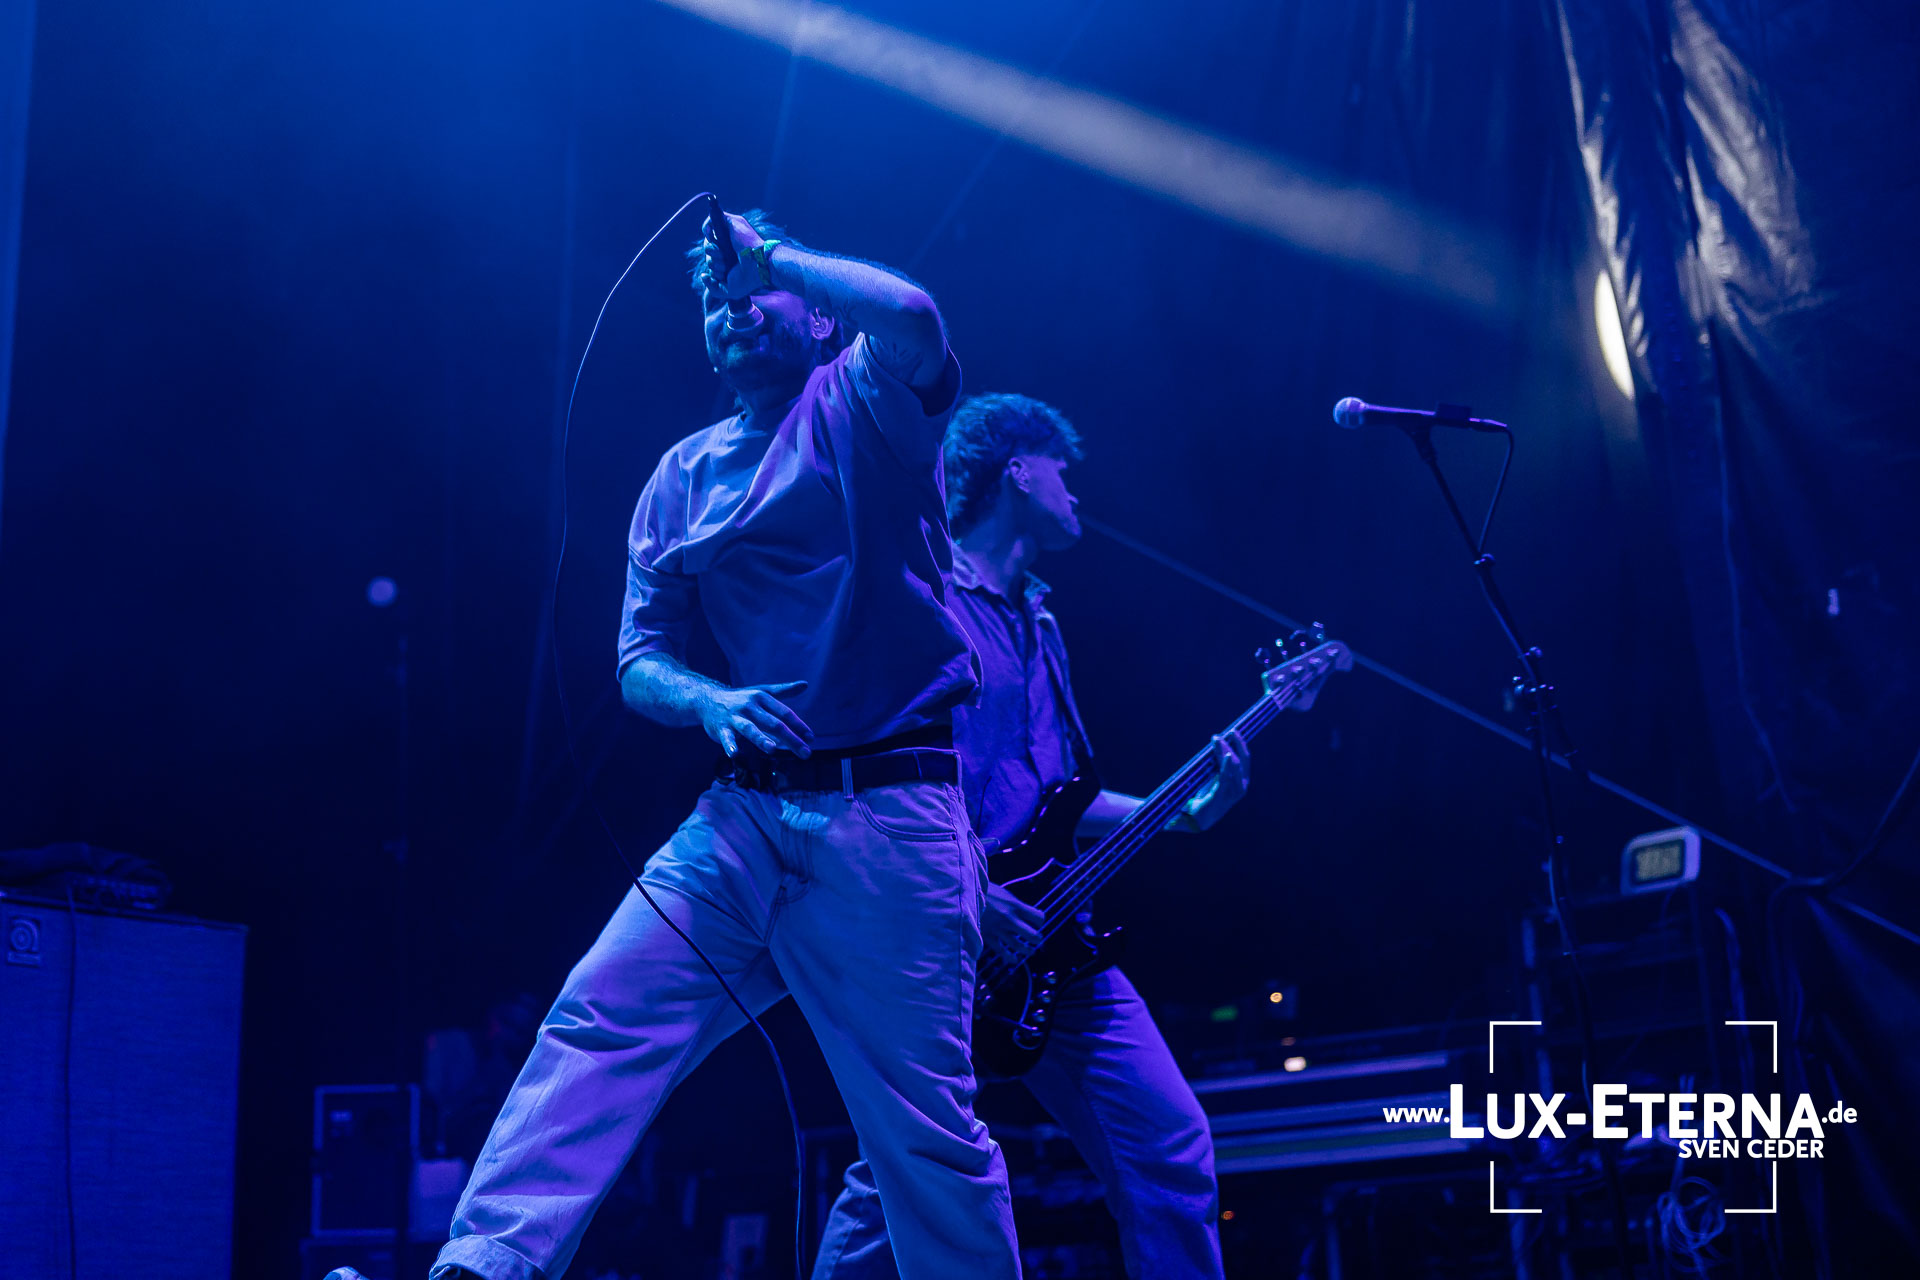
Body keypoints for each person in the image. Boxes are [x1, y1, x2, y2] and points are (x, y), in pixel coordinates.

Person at [427, 214, 1020, 1280]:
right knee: (601, 1018)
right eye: (717, 300)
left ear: (820, 318)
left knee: (924, 1137)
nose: (733, 308)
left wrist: (770, 257)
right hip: (742, 818)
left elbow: (915, 317)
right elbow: (639, 659)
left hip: (888, 816)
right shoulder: (682, 474)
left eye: (754, 294)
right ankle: (487, 1265)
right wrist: (710, 699)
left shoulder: (865, 400)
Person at [812, 394, 1250, 1279]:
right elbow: (886, 780)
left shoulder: (1041, 622)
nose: (1075, 493)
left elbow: (1058, 797)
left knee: (1170, 1143)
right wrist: (973, 893)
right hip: (947, 932)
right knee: (902, 1175)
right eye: (1062, 470)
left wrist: (1187, 809)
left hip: (1056, 938)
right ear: (1017, 469)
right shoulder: (929, 597)